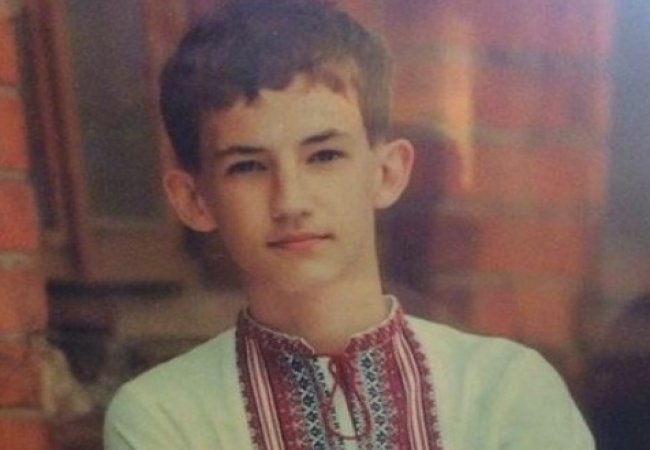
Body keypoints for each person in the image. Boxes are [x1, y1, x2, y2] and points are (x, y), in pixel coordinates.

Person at [104, 0, 594, 448]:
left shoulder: (504, 390)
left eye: (324, 156)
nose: (291, 201)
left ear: (387, 173)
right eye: (248, 166)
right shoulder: (165, 415)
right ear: (194, 201)